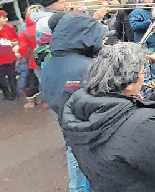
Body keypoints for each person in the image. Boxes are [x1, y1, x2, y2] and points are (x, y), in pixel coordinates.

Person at [60, 42, 155, 192]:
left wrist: (152, 100)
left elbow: (117, 117)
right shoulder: (142, 122)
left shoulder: (77, 102)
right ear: (128, 84)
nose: (144, 78)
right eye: (143, 73)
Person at [41, 10, 107, 192]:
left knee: (77, 172)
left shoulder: (55, 59)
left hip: (69, 124)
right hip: (86, 133)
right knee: (82, 177)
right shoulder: (83, 68)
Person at [129, 0, 155, 82]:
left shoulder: (154, 10)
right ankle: (146, 81)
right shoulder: (136, 12)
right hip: (144, 41)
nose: (150, 1)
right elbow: (134, 26)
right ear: (142, 1)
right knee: (145, 62)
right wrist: (148, 22)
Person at [0, 10, 20, 100]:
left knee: (12, 74)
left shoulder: (10, 28)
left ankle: (14, 92)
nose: (6, 19)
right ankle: (6, 94)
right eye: (3, 18)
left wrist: (13, 42)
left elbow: (16, 38)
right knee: (0, 76)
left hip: (10, 55)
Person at [17, 12, 42, 108]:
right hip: (50, 58)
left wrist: (28, 55)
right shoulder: (45, 28)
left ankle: (32, 102)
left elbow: (23, 50)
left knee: (32, 80)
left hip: (34, 60)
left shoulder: (25, 32)